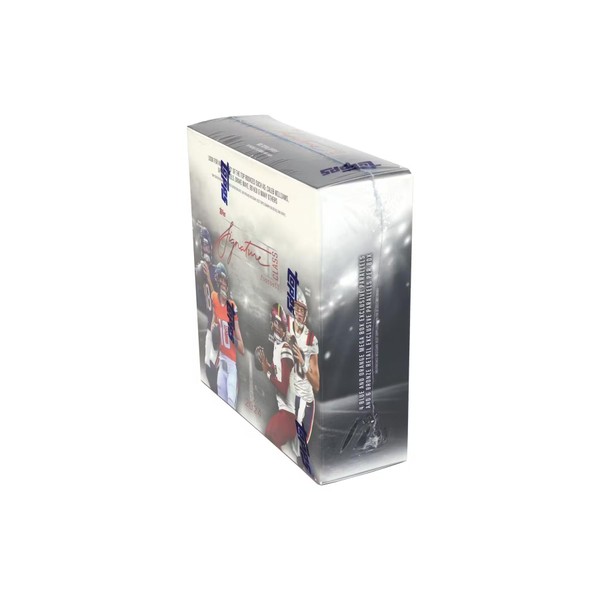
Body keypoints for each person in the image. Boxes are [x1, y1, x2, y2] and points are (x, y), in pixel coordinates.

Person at [210, 263, 245, 408]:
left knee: (231, 404)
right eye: (221, 281)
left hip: (231, 367)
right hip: (221, 365)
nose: (223, 284)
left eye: (225, 281)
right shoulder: (214, 298)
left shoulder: (232, 307)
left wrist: (233, 338)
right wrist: (214, 330)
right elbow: (214, 319)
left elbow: (242, 349)